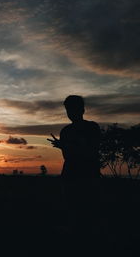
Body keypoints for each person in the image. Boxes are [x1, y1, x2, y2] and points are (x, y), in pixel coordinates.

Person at [47, 95, 101, 244]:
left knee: (89, 208)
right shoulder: (66, 131)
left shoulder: (92, 127)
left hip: (89, 175)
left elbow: (92, 151)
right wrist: (66, 147)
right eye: (68, 110)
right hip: (71, 174)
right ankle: (74, 235)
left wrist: (68, 146)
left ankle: (89, 239)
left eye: (73, 109)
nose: (71, 113)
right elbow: (68, 156)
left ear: (82, 110)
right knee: (72, 206)